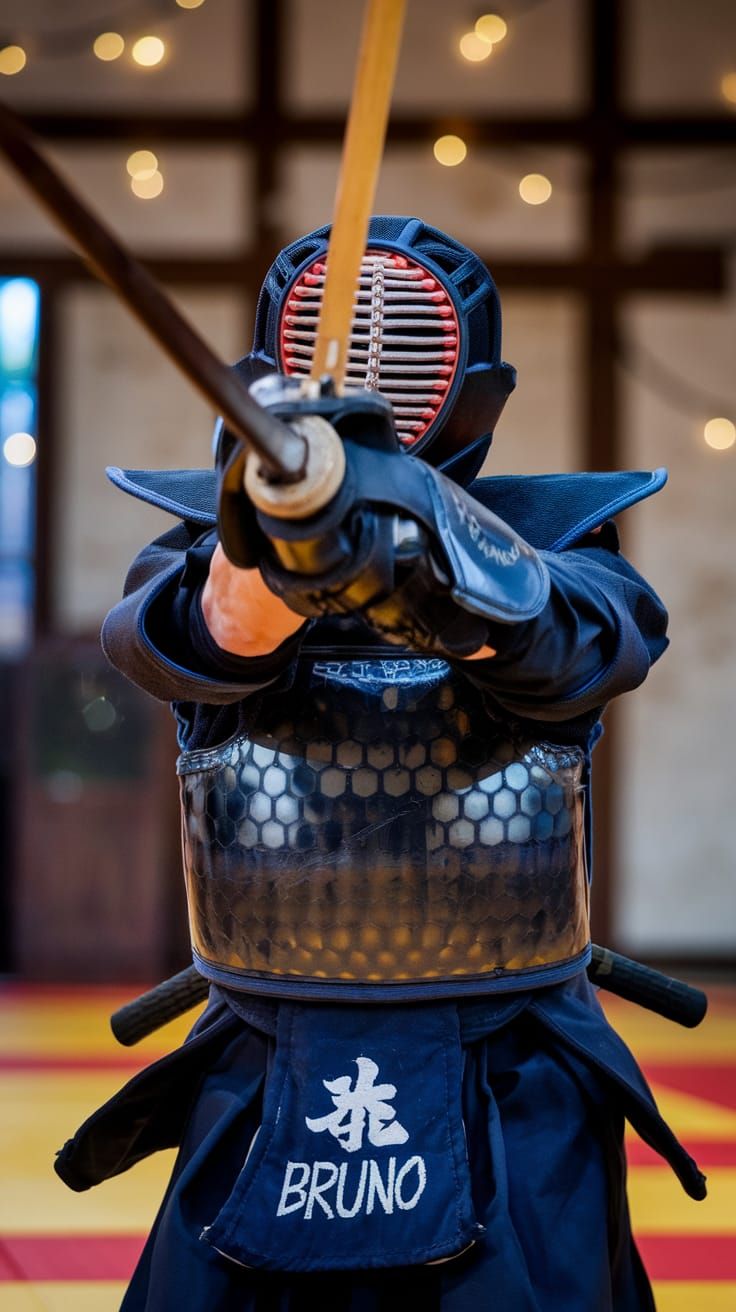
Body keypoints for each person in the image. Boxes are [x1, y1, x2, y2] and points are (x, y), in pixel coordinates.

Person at [55, 217, 704, 1311]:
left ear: (476, 394)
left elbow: (575, 647)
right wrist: (278, 541)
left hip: (511, 1061)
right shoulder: (202, 560)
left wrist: (418, 550)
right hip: (267, 1058)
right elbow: (203, 637)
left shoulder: (568, 559)